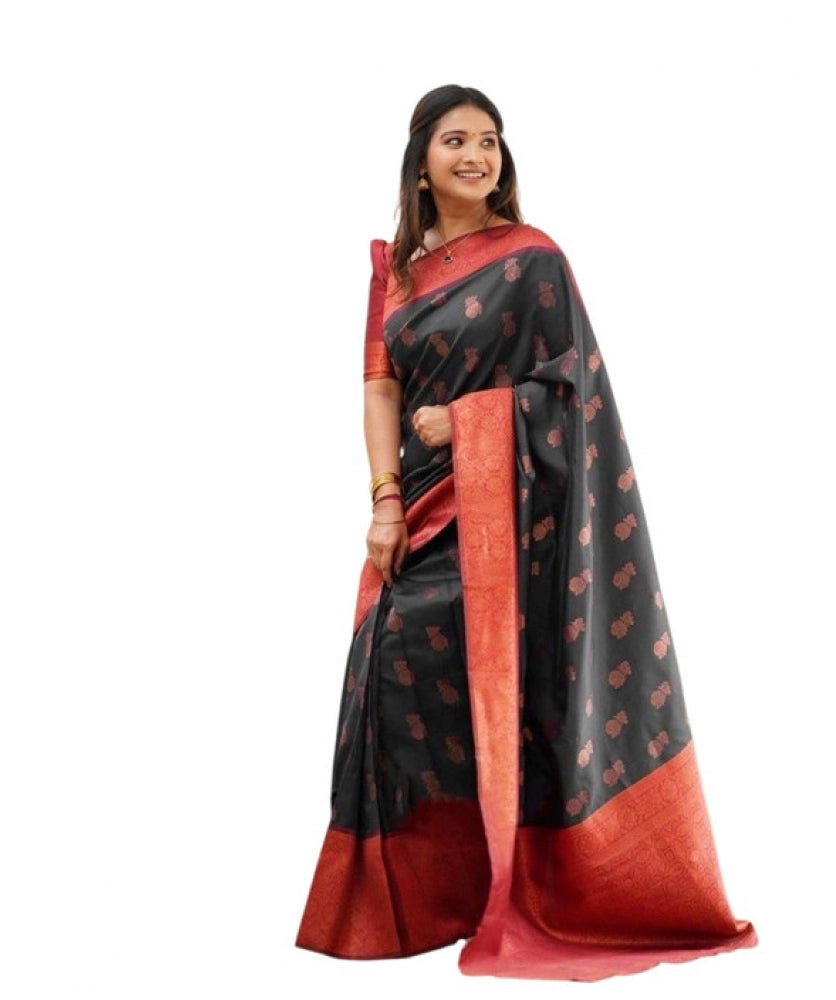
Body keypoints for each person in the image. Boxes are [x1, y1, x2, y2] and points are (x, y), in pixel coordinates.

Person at [295, 84, 757, 982]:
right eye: (456, 141)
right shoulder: (395, 273)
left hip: (515, 514)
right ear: (421, 166)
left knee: (497, 675)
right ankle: (437, 893)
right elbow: (380, 388)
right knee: (391, 665)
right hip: (423, 504)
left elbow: (574, 392)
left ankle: (538, 881)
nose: (477, 156)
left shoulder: (533, 259)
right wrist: (385, 499)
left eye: (490, 141)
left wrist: (468, 420)